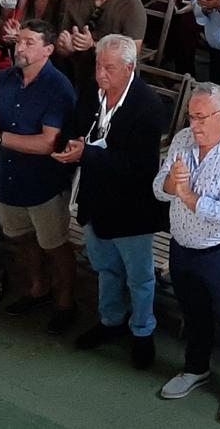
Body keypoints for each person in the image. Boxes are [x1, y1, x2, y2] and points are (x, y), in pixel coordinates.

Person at [58, 34, 169, 368]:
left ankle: (142, 331)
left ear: (129, 67)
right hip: (96, 200)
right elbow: (78, 127)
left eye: (108, 68)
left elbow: (139, 167)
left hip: (133, 208)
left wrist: (87, 154)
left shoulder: (147, 106)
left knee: (140, 277)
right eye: (97, 65)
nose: (100, 74)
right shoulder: (93, 93)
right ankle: (110, 321)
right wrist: (74, 143)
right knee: (105, 268)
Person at [154, 82, 220, 423]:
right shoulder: (184, 140)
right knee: (193, 310)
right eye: (191, 116)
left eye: (201, 118)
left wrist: (187, 197)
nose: (194, 125)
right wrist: (173, 183)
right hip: (182, 243)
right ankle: (195, 368)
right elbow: (159, 189)